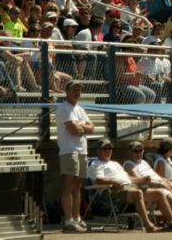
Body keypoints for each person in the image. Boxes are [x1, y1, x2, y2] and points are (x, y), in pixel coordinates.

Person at [87, 138, 172, 232]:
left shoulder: (115, 163)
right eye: (105, 149)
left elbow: (128, 178)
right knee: (137, 193)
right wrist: (114, 182)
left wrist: (142, 179)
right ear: (98, 150)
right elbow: (98, 180)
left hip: (129, 188)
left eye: (110, 148)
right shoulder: (95, 164)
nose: (108, 151)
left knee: (159, 193)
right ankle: (148, 225)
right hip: (112, 192)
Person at [56, 80, 94, 233]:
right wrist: (83, 127)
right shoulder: (63, 108)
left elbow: (91, 128)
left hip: (82, 151)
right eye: (74, 89)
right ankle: (68, 220)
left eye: (79, 89)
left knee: (77, 188)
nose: (77, 92)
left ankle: (76, 218)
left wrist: (81, 127)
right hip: (69, 151)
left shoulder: (80, 109)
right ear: (67, 91)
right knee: (68, 186)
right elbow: (73, 130)